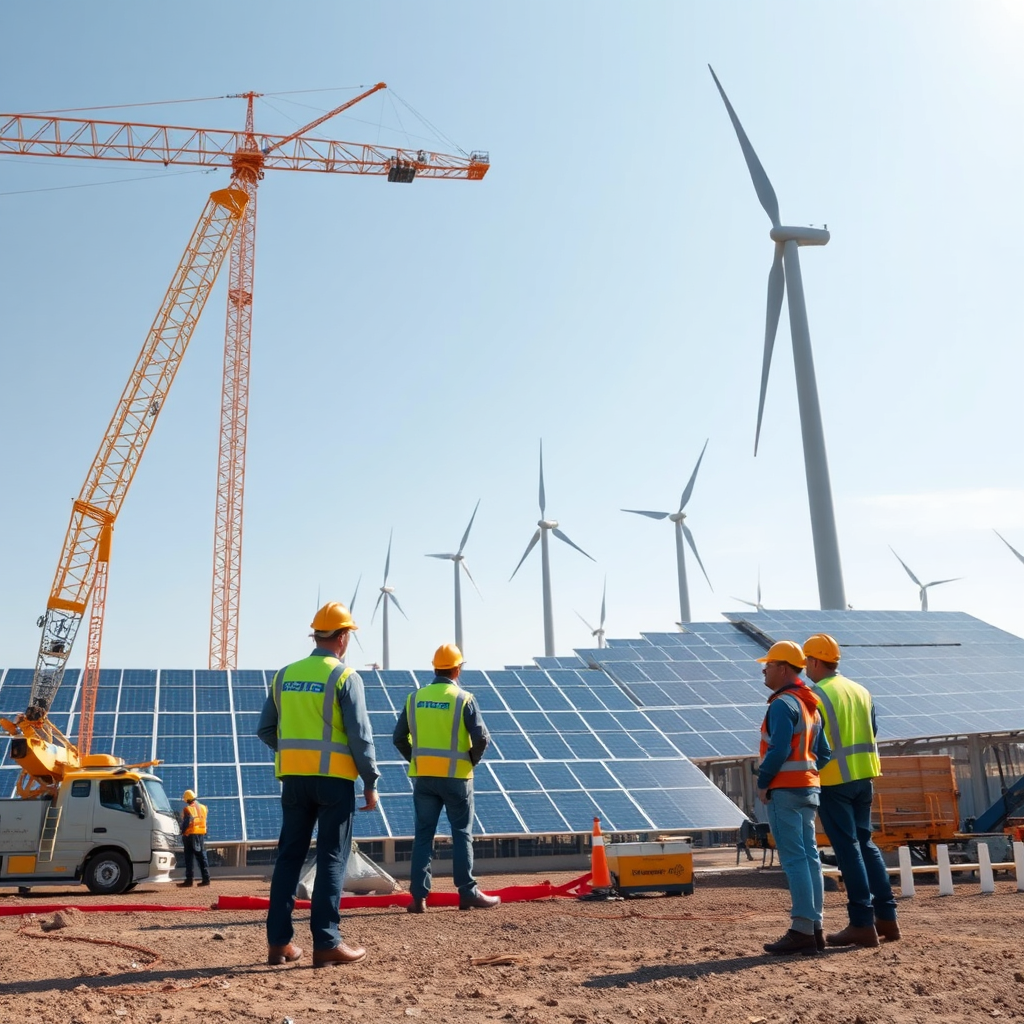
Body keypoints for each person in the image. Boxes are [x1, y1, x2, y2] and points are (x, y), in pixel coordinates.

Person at [256, 601, 379, 968]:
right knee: (331, 857)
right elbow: (360, 735)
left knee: (288, 858)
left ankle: (279, 945)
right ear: (342, 637)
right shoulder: (344, 677)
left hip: (293, 780)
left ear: (316, 635)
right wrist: (370, 781)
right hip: (334, 782)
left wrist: (294, 751)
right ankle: (327, 943)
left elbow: (265, 729)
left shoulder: (284, 675)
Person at [803, 633, 900, 947]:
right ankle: (887, 919)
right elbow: (872, 730)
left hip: (834, 780)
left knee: (848, 851)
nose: (805, 667)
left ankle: (861, 923)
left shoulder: (816, 695)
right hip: (865, 778)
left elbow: (816, 741)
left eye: (807, 661)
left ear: (816, 661)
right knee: (866, 845)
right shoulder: (861, 690)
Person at [392, 643, 500, 913]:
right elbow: (481, 738)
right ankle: (467, 893)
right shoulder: (463, 698)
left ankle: (418, 898)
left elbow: (398, 738)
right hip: (456, 778)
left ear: (435, 667)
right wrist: (470, 760)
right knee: (461, 833)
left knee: (423, 836)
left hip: (424, 778)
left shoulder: (414, 698)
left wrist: (417, 759)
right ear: (456, 668)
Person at [756, 640, 831, 956]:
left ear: (783, 668)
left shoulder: (782, 705)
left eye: (769, 665)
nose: (764, 669)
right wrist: (809, 773)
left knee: (795, 859)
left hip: (785, 791)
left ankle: (802, 929)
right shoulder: (809, 705)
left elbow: (780, 749)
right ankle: (815, 929)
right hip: (809, 790)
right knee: (810, 858)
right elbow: (824, 753)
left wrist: (764, 781)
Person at [177, 789, 211, 887]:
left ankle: (189, 881)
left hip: (190, 835)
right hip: (200, 834)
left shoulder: (188, 809)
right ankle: (206, 879)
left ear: (186, 799)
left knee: (189, 858)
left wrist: (182, 832)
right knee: (202, 857)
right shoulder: (203, 807)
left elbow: (186, 823)